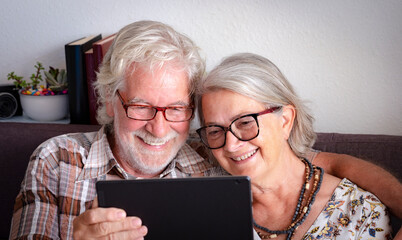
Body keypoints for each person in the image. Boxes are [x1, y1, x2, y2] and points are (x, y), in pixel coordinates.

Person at [9, 21, 400, 239]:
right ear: (110, 100)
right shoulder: (57, 160)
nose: (159, 127)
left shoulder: (209, 150)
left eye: (177, 108)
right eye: (142, 106)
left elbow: (301, 159)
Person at [195, 53, 393, 239]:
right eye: (214, 131)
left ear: (285, 121)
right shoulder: (206, 209)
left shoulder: (359, 212)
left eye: (245, 123)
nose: (230, 145)